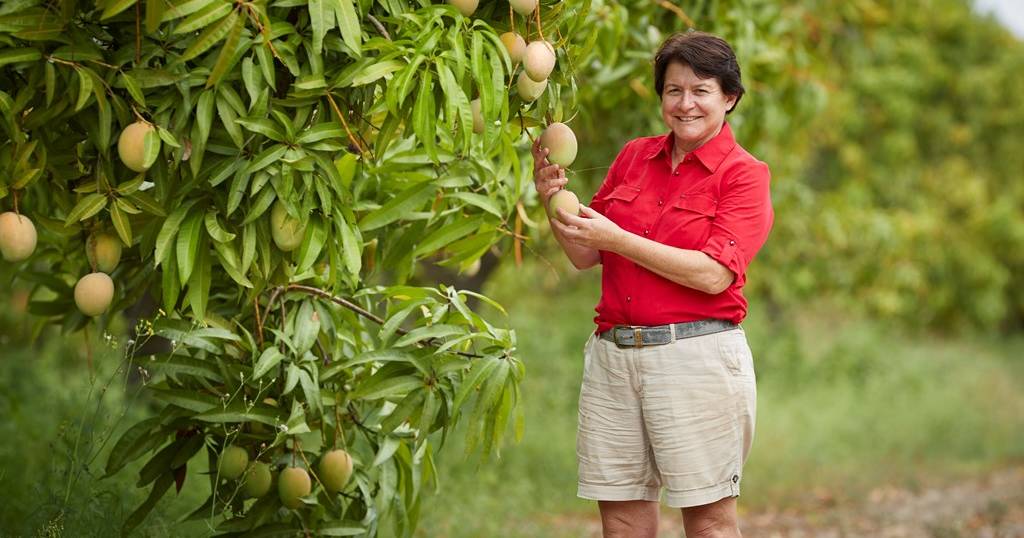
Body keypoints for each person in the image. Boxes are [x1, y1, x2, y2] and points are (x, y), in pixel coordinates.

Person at [532, 31, 773, 537]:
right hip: (615, 358)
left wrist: (617, 238)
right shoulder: (634, 157)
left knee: (708, 522)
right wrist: (551, 200)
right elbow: (584, 253)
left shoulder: (744, 175)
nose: (685, 104)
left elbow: (714, 274)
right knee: (620, 521)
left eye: (700, 90)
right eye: (673, 90)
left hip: (695, 358)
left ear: (729, 97)